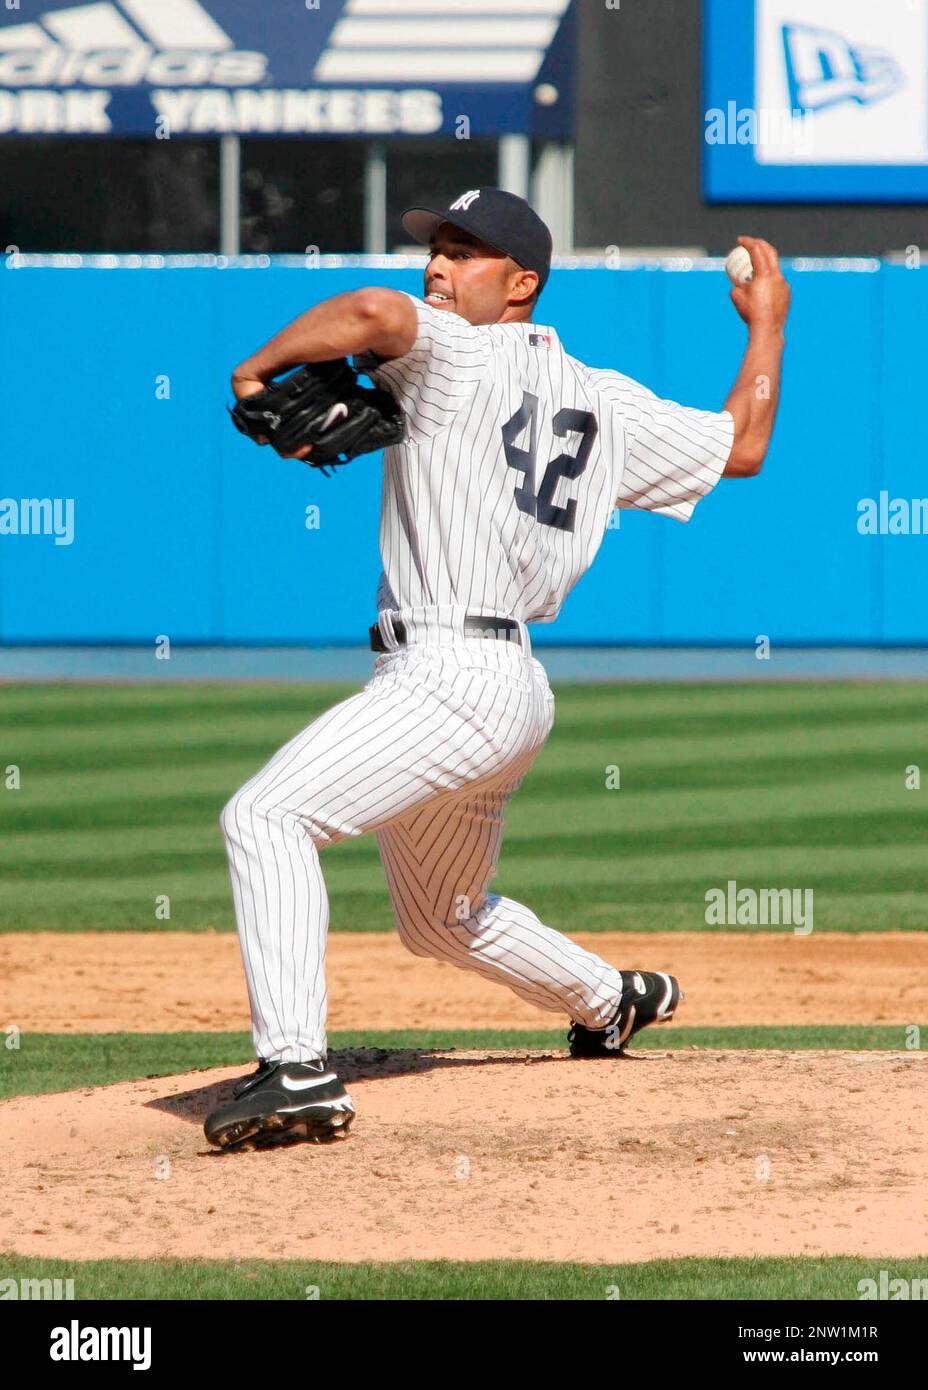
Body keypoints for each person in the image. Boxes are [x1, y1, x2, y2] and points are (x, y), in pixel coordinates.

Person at [204, 187, 791, 1150]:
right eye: (435, 247)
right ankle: (612, 998)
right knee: (440, 919)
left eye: (465, 252)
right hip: (508, 690)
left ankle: (297, 1070)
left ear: (522, 285)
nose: (436, 267)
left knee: (266, 816)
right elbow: (747, 443)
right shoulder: (603, 400)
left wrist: (255, 369)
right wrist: (767, 323)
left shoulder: (450, 350)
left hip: (447, 675)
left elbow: (369, 314)